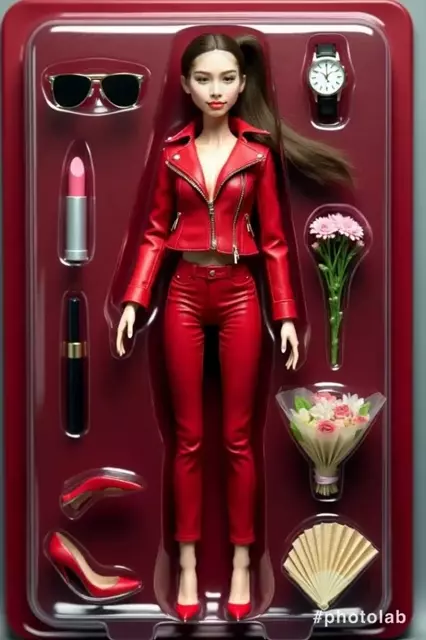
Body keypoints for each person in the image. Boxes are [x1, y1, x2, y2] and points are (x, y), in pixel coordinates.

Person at [115, 32, 351, 622]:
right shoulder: (173, 153)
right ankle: (188, 565)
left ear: (243, 83)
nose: (215, 90)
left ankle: (244, 562)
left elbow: (274, 243)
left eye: (226, 79)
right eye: (203, 79)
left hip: (242, 294)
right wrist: (135, 301)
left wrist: (286, 314)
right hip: (183, 294)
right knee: (188, 439)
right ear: (187, 85)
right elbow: (153, 233)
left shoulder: (258, 154)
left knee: (239, 439)